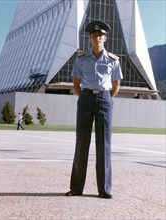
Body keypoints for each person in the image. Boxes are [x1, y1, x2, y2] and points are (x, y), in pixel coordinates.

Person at [66, 20, 123, 199]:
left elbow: (116, 86)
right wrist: (86, 97)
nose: (97, 38)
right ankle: (76, 188)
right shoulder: (81, 59)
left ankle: (104, 189)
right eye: (94, 36)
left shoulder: (113, 60)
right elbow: (76, 84)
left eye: (100, 36)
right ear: (90, 38)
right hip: (86, 98)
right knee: (82, 142)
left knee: (103, 144)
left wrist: (103, 98)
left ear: (105, 38)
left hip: (105, 99)